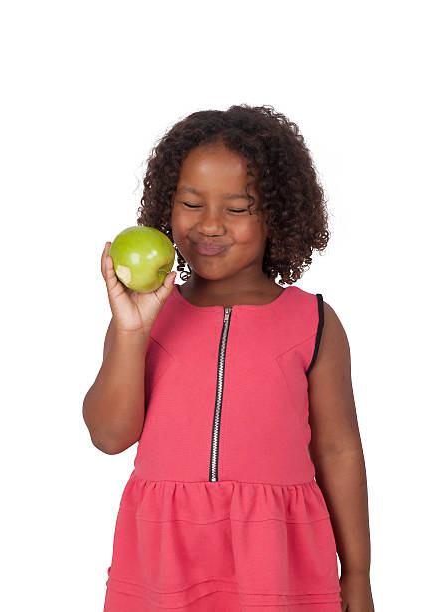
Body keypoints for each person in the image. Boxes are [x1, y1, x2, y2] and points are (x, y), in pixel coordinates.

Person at [83, 104, 375, 612]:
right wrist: (131, 331)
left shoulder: (315, 323)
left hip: (277, 560)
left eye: (237, 208)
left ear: (278, 214)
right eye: (191, 204)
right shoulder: (143, 320)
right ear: (165, 207)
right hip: (164, 559)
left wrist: (358, 577)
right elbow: (110, 436)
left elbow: (339, 453)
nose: (209, 226)